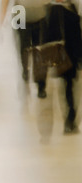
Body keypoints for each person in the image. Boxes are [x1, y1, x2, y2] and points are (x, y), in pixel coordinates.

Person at [44, 0, 82, 134]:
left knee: (68, 88)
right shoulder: (56, 10)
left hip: (69, 55)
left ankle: (70, 119)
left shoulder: (70, 6)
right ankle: (69, 119)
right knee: (67, 88)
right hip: (65, 55)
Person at [1, 0, 51, 98]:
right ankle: (25, 70)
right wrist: (2, 14)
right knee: (23, 46)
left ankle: (41, 84)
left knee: (40, 50)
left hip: (39, 13)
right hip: (19, 12)